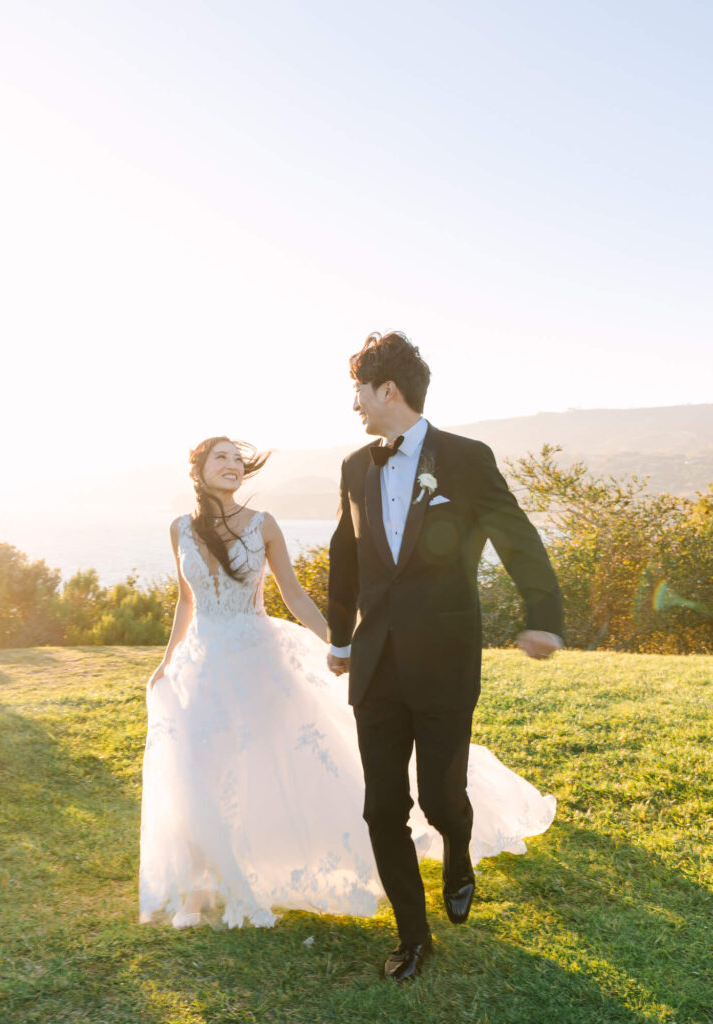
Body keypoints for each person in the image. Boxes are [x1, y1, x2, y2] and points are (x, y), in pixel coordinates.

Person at [139, 433, 557, 938]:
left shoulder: (262, 525)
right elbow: (187, 600)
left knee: (255, 765)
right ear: (198, 469)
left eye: (235, 458)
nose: (230, 465)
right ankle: (199, 887)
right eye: (218, 458)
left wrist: (340, 643)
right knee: (201, 770)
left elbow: (292, 594)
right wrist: (166, 661)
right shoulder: (179, 529)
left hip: (256, 660)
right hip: (201, 662)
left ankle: (445, 833)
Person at [327, 331, 563, 982]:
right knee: (381, 807)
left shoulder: (466, 458)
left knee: (438, 798)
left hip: (445, 663)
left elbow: (518, 538)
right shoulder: (353, 468)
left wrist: (542, 618)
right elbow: (344, 560)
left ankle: (458, 846)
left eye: (359, 391)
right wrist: (341, 638)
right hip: (375, 665)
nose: (355, 405)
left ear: (388, 391)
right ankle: (414, 935)